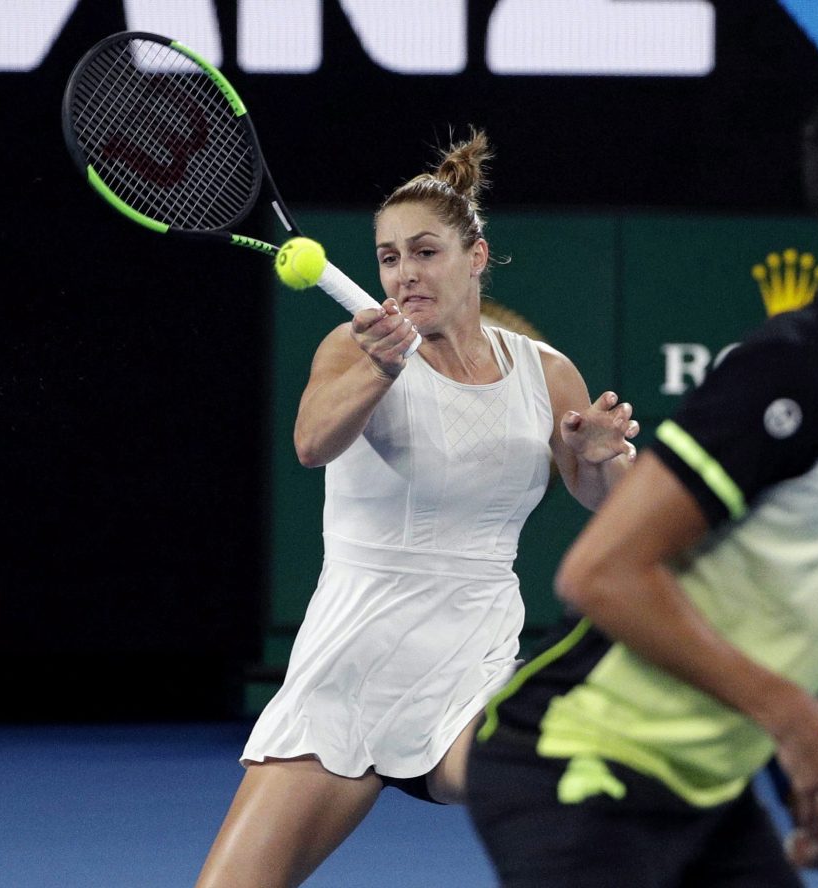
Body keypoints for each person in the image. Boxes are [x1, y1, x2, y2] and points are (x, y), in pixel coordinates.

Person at [466, 73, 818, 886]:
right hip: (574, 768)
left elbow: (770, 603)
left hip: (706, 793)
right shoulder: (795, 374)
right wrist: (794, 719)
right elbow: (600, 574)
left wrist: (791, 762)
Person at [195, 130, 638, 888]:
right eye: (389, 257)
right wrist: (379, 369)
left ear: (476, 255)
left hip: (474, 662)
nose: (404, 273)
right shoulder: (354, 345)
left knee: (565, 784)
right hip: (353, 665)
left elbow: (611, 505)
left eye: (425, 252)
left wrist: (603, 459)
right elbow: (311, 444)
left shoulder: (546, 372)